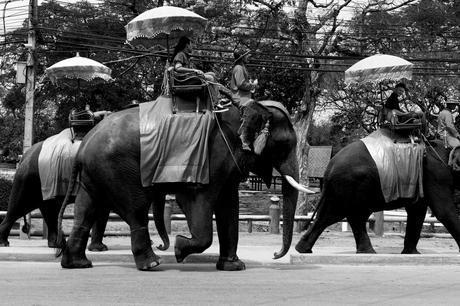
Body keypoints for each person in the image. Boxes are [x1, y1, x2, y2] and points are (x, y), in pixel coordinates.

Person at [230, 47, 258, 151]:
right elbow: (240, 84)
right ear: (242, 57)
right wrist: (252, 85)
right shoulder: (238, 68)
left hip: (245, 95)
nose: (248, 57)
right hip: (240, 97)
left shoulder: (241, 68)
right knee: (250, 106)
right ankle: (243, 138)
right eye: (247, 55)